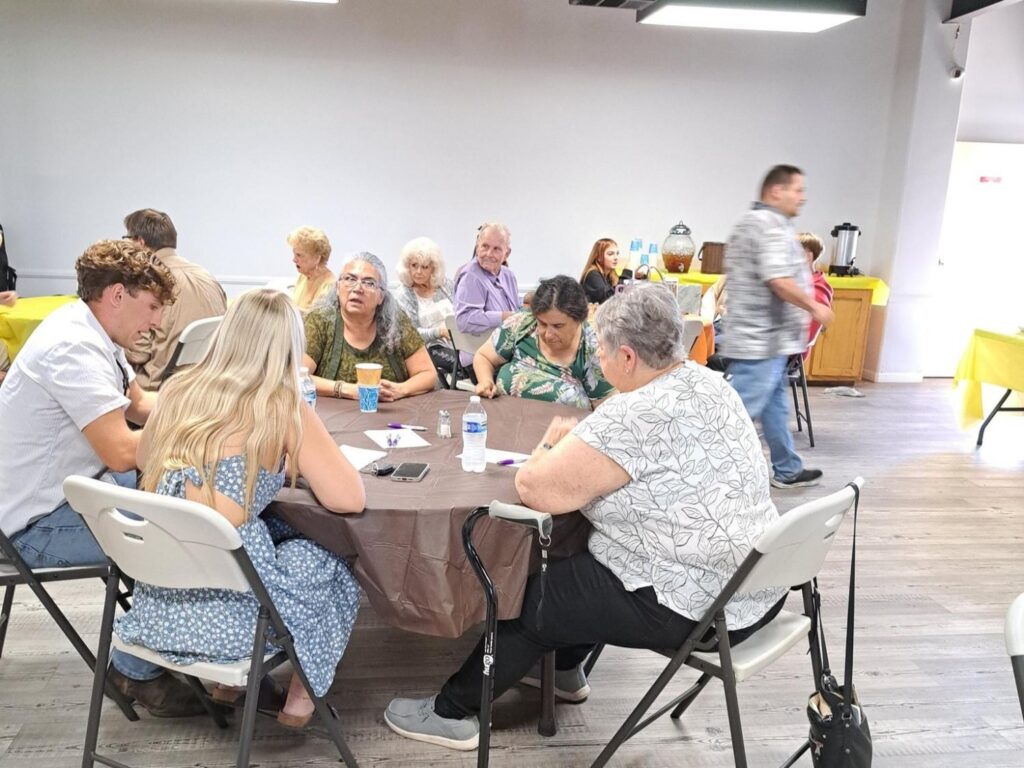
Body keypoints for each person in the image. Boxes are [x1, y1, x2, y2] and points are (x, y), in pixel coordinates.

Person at [384, 284, 788, 751]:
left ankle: (452, 711)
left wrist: (548, 448)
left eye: (602, 347)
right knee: (587, 557)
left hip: (697, 604)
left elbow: (536, 489)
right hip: (756, 584)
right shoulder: (710, 383)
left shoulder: (636, 412)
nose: (597, 355)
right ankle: (564, 672)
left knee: (533, 594)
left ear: (630, 357)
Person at [120, 289, 365, 728]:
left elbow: (144, 461)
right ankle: (300, 697)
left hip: (156, 613)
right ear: (290, 346)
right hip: (235, 628)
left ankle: (232, 687)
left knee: (273, 545)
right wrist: (295, 462)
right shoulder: (282, 405)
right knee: (333, 562)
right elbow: (349, 498)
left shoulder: (177, 391)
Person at [0, 239, 207, 717]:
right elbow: (120, 452)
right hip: (32, 525)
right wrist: (203, 436)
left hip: (73, 493)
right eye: (151, 307)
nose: (156, 321)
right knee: (184, 537)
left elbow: (139, 406)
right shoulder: (73, 346)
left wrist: (205, 405)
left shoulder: (91, 330)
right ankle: (134, 670)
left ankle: (176, 648)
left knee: (200, 501)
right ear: (117, 295)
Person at [721, 165, 833, 489]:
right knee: (736, 417)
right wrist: (814, 306)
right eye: (797, 190)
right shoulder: (768, 225)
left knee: (775, 409)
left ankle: (787, 469)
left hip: (768, 341)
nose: (803, 197)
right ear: (775, 191)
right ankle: (695, 475)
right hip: (761, 342)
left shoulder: (756, 223)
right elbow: (777, 281)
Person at [303, 252, 436, 401]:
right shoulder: (319, 321)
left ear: (381, 297)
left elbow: (428, 374)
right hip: (331, 420)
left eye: (369, 283)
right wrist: (345, 389)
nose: (358, 288)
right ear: (338, 288)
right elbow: (296, 376)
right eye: (349, 279)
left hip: (390, 418)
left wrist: (400, 390)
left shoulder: (395, 321)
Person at [473, 275, 613, 410]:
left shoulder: (594, 350)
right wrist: (486, 381)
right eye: (542, 324)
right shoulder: (522, 324)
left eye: (558, 326)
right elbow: (484, 357)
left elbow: (604, 411)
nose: (548, 334)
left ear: (579, 320)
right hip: (507, 420)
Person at [123, 209, 227, 390]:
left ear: (140, 242)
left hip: (161, 393)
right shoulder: (207, 276)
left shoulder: (149, 282)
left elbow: (137, 354)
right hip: (207, 388)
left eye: (127, 240)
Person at [453, 222, 519, 367]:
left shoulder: (509, 276)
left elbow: (517, 314)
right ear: (477, 247)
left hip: (508, 354)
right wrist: (503, 317)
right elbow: (464, 320)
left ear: (506, 253)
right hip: (480, 359)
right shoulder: (470, 275)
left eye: (496, 249)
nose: (489, 254)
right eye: (485, 246)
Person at [393, 236, 456, 375]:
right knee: (462, 367)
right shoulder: (404, 294)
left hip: (458, 343)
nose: (418, 272)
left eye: (424, 267)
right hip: (427, 349)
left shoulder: (446, 286)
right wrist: (439, 332)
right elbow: (410, 333)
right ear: (407, 266)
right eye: (414, 265)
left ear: (433, 268)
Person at [797, 232, 834, 350]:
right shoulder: (797, 282)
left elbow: (805, 336)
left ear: (807, 257)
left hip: (784, 355)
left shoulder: (818, 289)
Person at [288, 226, 335, 313]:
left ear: (317, 258)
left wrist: (285, 308)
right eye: (294, 254)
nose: (294, 260)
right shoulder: (303, 276)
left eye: (299, 255)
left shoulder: (329, 285)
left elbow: (316, 320)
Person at [579, 238, 620, 304]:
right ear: (599, 257)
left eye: (617, 254)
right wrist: (627, 271)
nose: (616, 258)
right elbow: (609, 299)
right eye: (610, 254)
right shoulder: (592, 274)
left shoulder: (610, 274)